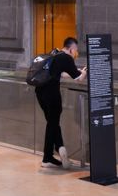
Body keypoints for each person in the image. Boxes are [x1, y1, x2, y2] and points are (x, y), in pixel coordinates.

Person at [35, 37, 86, 168]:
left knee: (52, 122)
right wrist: (84, 73)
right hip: (52, 94)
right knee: (52, 123)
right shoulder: (67, 58)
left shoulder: (55, 53)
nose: (76, 54)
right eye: (76, 51)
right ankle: (47, 157)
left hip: (40, 92)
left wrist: (76, 72)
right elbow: (79, 79)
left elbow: (62, 74)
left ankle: (59, 148)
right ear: (71, 49)